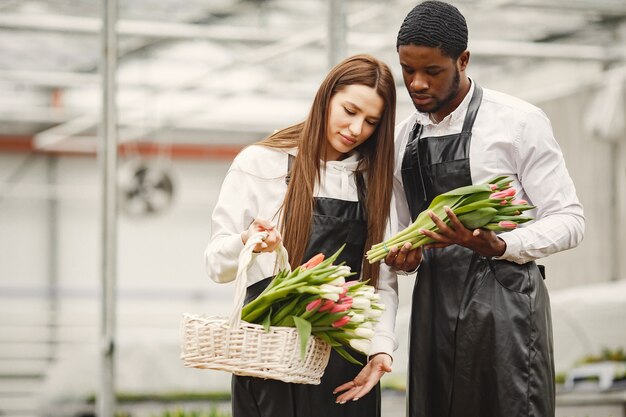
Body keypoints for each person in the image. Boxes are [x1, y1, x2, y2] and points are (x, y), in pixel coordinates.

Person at [336, 1, 585, 415]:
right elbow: (394, 245)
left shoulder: (518, 122)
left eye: (432, 71)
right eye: (407, 70)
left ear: (463, 60)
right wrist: (405, 260)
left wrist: (500, 245)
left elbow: (571, 220)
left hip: (507, 314)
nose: (416, 84)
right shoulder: (400, 140)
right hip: (433, 314)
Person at [204, 54, 400, 417]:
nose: (357, 129)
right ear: (326, 98)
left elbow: (381, 283)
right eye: (350, 110)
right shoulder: (260, 164)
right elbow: (216, 265)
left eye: (371, 121)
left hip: (344, 367)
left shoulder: (373, 180)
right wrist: (246, 241)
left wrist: (381, 348)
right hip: (270, 359)